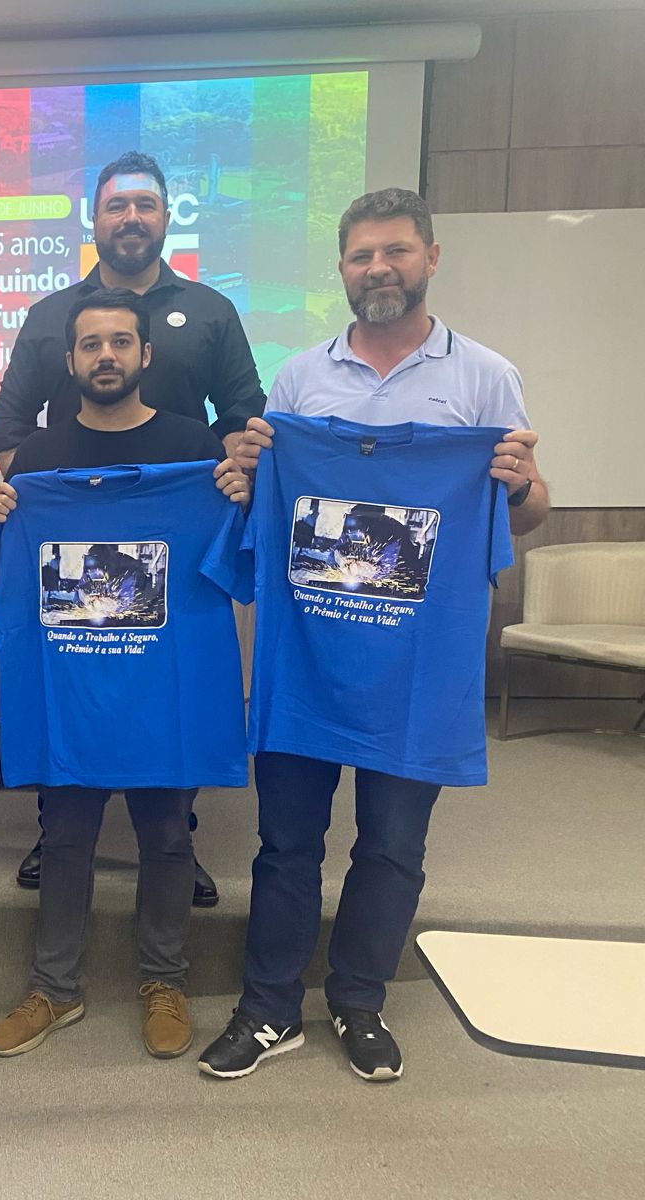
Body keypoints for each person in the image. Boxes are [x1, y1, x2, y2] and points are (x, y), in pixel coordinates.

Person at [198, 187, 549, 1083]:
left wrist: (515, 481)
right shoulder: (299, 380)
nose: (378, 269)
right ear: (343, 270)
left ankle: (359, 1000)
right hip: (308, 652)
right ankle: (269, 1008)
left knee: (393, 844)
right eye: (361, 256)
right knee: (286, 843)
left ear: (431, 256)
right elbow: (265, 500)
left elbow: (530, 510)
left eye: (395, 251)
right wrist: (245, 479)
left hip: (417, 665)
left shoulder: (484, 377)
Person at [0, 151, 266, 899]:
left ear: (167, 217)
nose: (130, 217)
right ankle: (56, 828)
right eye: (116, 206)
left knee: (166, 674)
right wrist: (48, 495)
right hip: (68, 538)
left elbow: (244, 420)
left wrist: (229, 480)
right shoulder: (50, 316)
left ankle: (176, 836)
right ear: (95, 220)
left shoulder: (211, 310)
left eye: (144, 205)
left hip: (175, 530)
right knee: (70, 666)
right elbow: (9, 424)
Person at [0, 289, 250, 1062]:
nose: (106, 355)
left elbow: (231, 563)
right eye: (91, 344)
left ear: (145, 356)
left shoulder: (192, 447)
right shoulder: (38, 460)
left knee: (167, 835)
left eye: (120, 343)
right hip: (71, 690)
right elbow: (11, 579)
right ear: (69, 362)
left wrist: (236, 493)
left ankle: (163, 980)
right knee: (65, 835)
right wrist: (0, 517)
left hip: (161, 690)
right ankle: (55, 989)